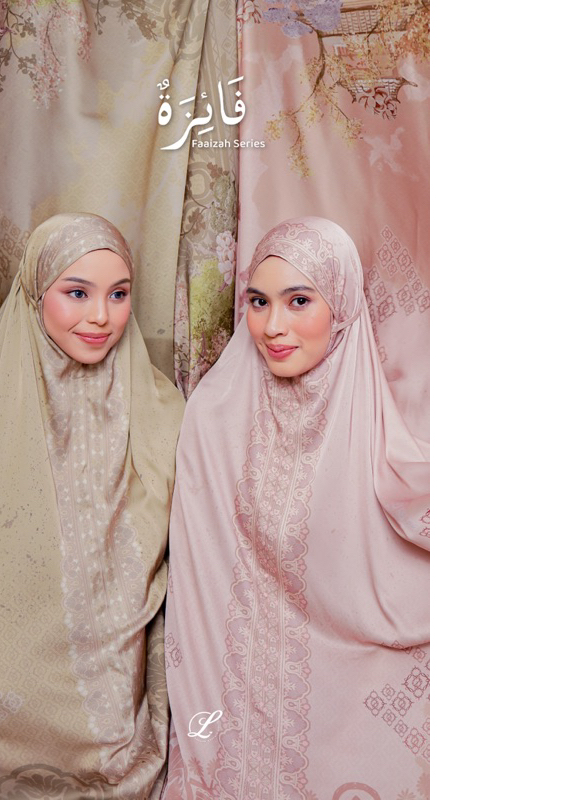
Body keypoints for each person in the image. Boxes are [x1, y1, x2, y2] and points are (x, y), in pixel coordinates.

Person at [161, 217, 430, 800]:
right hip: (238, 694)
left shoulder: (378, 433)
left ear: (342, 306)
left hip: (351, 691)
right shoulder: (214, 414)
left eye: (299, 300)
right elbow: (200, 585)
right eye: (259, 302)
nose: (273, 327)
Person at [0, 212, 185, 799]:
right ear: (35, 293)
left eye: (118, 294)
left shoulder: (164, 409)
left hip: (109, 698)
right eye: (77, 293)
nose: (101, 316)